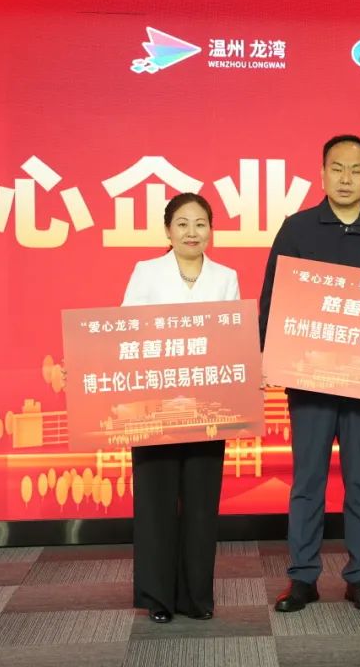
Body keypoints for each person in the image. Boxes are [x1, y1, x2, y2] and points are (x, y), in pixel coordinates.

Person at [259, 134, 360, 613]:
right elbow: (273, 297)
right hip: (310, 381)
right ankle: (302, 577)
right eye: (337, 168)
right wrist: (268, 355)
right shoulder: (298, 229)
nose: (346, 178)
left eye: (356, 169)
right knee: (307, 481)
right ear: (323, 173)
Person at [122, 192, 240, 624]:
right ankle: (158, 597)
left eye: (201, 224)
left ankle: (196, 596)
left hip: (207, 407)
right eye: (183, 224)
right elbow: (124, 332)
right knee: (155, 501)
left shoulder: (226, 277)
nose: (192, 232)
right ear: (168, 231)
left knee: (201, 503)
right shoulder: (146, 271)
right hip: (155, 405)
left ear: (211, 230)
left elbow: (233, 339)